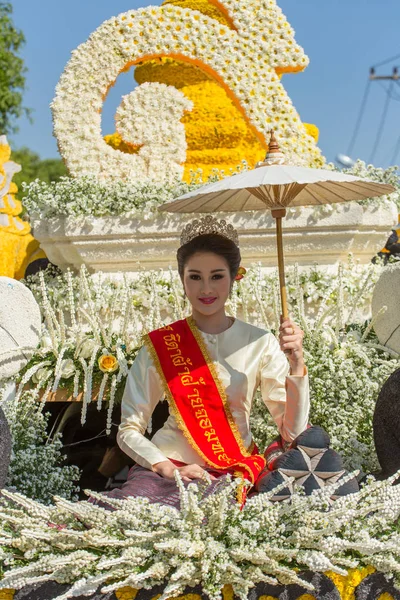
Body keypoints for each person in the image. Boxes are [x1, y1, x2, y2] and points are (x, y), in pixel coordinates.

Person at [103, 216, 309, 507]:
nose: (206, 289)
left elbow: (293, 433)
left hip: (233, 470)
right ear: (182, 279)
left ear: (234, 276)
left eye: (217, 276)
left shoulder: (259, 342)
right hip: (167, 470)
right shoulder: (161, 344)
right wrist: (165, 467)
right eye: (195, 277)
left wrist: (297, 364)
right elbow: (128, 430)